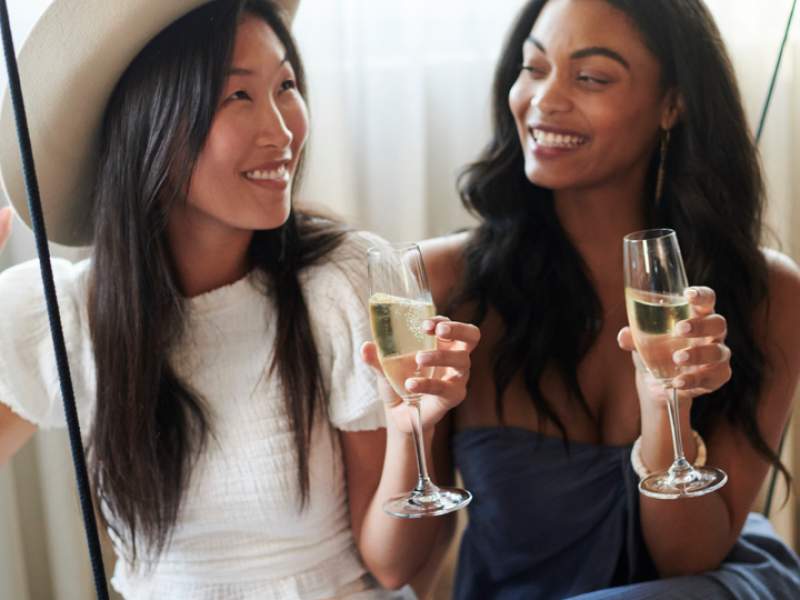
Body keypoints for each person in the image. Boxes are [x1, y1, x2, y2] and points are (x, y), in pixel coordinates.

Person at [0, 1, 479, 598]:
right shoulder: (64, 314)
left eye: (285, 86)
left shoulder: (339, 282)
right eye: (238, 97)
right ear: (151, 124)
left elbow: (391, 565)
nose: (281, 131)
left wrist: (414, 432)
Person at [412, 0, 800, 597]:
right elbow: (401, 560)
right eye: (534, 68)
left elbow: (684, 560)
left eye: (590, 77)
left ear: (673, 102)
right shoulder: (445, 284)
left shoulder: (768, 296)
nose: (545, 101)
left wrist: (663, 404)